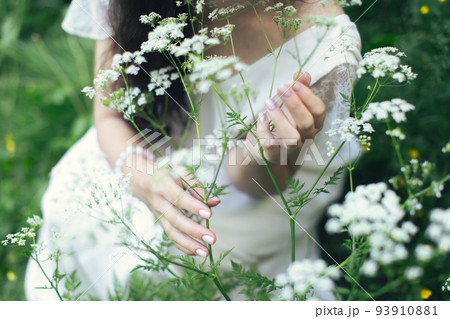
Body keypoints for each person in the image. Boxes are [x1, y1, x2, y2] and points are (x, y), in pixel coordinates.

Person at [25, 0, 362, 300]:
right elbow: (109, 114)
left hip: (246, 201)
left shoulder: (325, 40)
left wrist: (264, 151)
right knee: (81, 216)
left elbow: (257, 185)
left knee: (194, 266)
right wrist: (142, 175)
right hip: (138, 150)